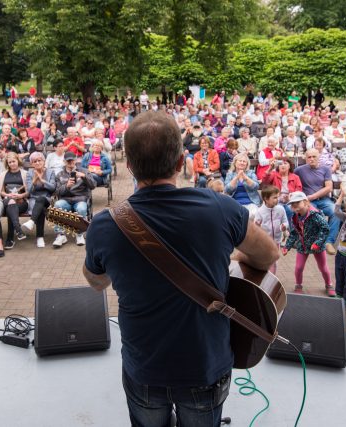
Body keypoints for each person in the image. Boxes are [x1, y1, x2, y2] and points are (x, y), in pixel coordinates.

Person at [82, 111, 279, 427]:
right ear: (180, 162)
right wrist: (233, 261)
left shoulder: (106, 225)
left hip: (144, 367)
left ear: (129, 166)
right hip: (205, 367)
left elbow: (95, 282)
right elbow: (269, 254)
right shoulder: (221, 207)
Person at [283, 191, 335, 295]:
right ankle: (298, 285)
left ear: (306, 202)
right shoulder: (295, 216)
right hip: (302, 245)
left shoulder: (315, 215)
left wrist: (318, 243)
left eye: (297, 202)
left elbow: (325, 229)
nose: (294, 206)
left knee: (323, 267)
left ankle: (329, 284)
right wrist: (287, 246)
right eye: (292, 204)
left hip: (317, 246)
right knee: (298, 267)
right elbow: (294, 232)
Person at [294, 149, 340, 254]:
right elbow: (293, 182)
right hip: (308, 202)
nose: (311, 159)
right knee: (313, 214)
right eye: (309, 157)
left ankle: (329, 242)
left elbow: (329, 188)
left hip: (323, 200)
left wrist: (313, 196)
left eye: (314, 156)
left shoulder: (325, 169)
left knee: (336, 212)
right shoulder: (299, 170)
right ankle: (313, 241)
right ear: (305, 159)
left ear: (318, 157)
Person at [52, 151, 95, 248]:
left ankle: (79, 234)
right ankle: (61, 235)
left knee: (81, 208)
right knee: (58, 205)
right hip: (66, 199)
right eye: (68, 161)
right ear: (64, 162)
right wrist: (66, 186)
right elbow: (57, 192)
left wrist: (84, 177)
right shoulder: (60, 174)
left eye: (72, 160)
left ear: (76, 160)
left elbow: (93, 185)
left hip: (80, 199)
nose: (71, 162)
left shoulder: (84, 171)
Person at [21, 152, 55, 248]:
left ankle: (33, 225)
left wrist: (42, 180)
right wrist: (34, 181)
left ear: (44, 161)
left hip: (47, 199)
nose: (37, 163)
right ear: (32, 164)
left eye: (39, 160)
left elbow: (53, 188)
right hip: (34, 199)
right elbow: (29, 191)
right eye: (34, 161)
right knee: (39, 208)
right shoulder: (30, 173)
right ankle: (40, 237)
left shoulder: (50, 172)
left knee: (40, 200)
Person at [255, 185, 289, 274]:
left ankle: (271, 279)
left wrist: (284, 226)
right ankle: (262, 276)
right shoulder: (260, 211)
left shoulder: (281, 209)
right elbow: (256, 227)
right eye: (274, 198)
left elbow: (286, 222)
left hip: (276, 241)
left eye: (278, 197)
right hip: (264, 241)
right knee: (264, 260)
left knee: (273, 261)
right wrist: (257, 226)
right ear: (266, 199)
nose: (277, 199)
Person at [0, 152, 29, 249]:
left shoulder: (25, 174)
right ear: (7, 163)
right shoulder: (3, 174)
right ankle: (18, 229)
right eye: (10, 162)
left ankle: (10, 239)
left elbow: (28, 192)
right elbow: (1, 192)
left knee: (11, 209)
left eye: (13, 161)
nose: (12, 164)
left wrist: (20, 195)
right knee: (10, 204)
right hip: (7, 200)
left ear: (18, 161)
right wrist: (8, 195)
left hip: (21, 201)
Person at [261, 157, 303, 222]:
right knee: (280, 209)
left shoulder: (295, 177)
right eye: (281, 164)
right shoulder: (274, 174)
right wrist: (270, 169)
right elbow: (265, 181)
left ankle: (289, 229)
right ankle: (284, 229)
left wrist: (290, 197)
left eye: (285, 163)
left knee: (290, 209)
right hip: (276, 200)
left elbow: (298, 191)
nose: (283, 165)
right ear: (278, 166)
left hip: (290, 200)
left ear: (289, 166)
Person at [224, 153, 261, 220]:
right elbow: (227, 190)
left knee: (253, 215)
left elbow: (256, 187)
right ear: (235, 163)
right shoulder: (230, 174)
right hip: (235, 203)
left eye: (244, 161)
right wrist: (236, 177)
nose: (242, 163)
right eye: (240, 161)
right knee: (234, 217)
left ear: (247, 164)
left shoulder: (251, 173)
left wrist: (246, 178)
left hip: (251, 203)